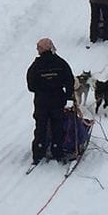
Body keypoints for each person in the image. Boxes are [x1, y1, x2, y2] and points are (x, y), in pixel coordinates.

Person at [26, 37, 75, 165]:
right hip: (57, 99)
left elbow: (31, 85)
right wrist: (67, 95)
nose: (37, 49)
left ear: (42, 49)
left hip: (41, 101)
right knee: (57, 126)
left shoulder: (36, 66)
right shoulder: (61, 63)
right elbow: (69, 81)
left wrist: (41, 89)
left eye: (38, 47)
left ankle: (38, 152)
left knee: (40, 126)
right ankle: (57, 151)